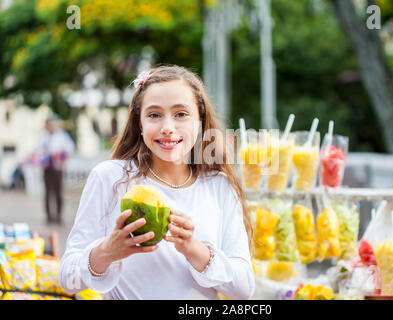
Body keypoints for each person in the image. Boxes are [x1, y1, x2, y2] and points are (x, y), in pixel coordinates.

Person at [58, 65, 255, 300]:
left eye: (181, 114)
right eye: (154, 115)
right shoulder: (110, 178)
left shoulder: (219, 186)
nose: (168, 128)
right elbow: (67, 279)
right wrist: (106, 252)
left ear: (199, 121)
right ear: (140, 124)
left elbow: (245, 289)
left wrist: (195, 249)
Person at [34, 116, 75, 225]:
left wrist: (61, 155)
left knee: (58, 191)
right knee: (48, 192)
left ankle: (58, 215)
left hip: (57, 167)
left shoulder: (62, 136)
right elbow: (37, 149)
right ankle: (49, 216)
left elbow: (70, 148)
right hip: (47, 167)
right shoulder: (43, 136)